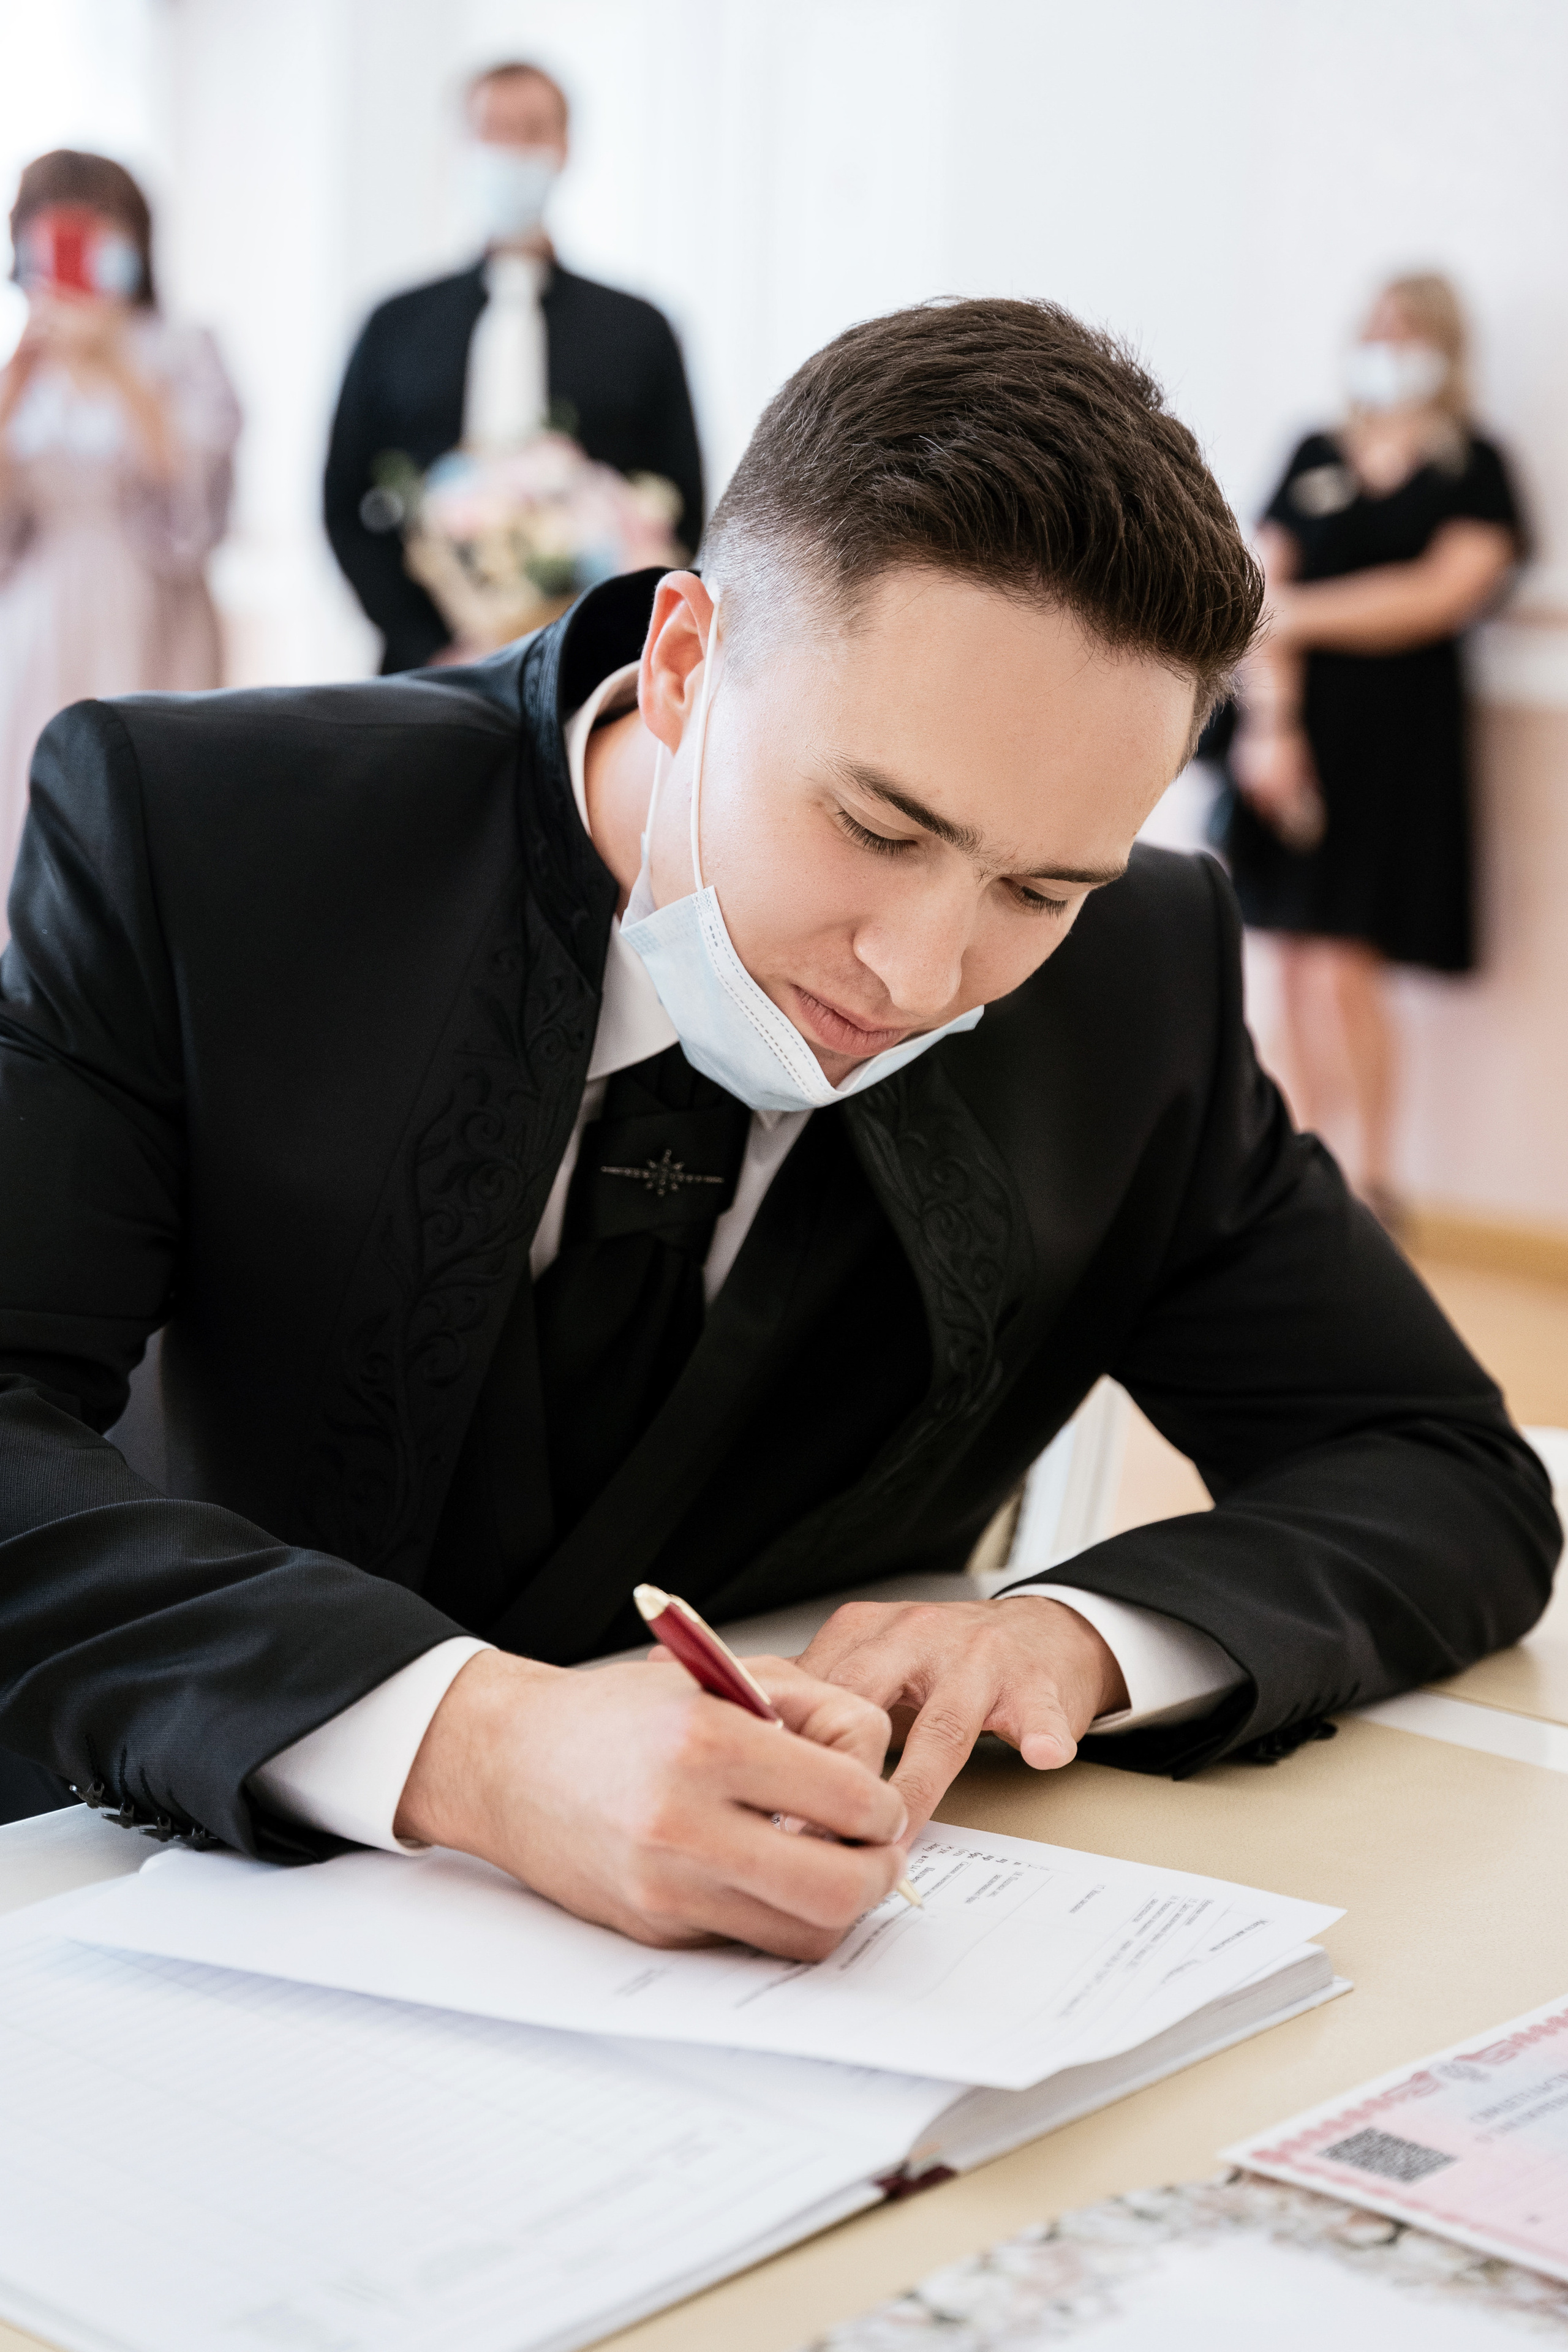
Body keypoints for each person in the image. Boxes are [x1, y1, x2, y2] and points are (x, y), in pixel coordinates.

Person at [0, 301, 1556, 1959]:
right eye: (878, 824)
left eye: (1042, 887)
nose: (922, 972)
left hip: (811, 1993)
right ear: (683, 663)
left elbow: (1442, 1466)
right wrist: (472, 1747)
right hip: (153, 1902)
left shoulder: (1142, 975)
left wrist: (1074, 1642)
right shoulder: (202, 839)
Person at [1219, 274, 1525, 1224]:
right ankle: (1294, 1171)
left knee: (1347, 966)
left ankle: (1371, 1182)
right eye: (1380, 328)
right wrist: (1273, 728)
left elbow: (1444, 592)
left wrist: (1298, 613)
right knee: (1288, 963)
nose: (1391, 345)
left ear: (1446, 346)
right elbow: (1264, 585)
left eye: (1411, 331)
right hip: (1296, 731)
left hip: (1399, 750)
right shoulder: (1312, 450)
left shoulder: (1475, 465)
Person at [324, 59, 704, 674]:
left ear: (564, 147)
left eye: (532, 131)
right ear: (461, 146)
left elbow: (682, 499)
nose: (512, 150)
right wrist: (430, 643)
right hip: (425, 669)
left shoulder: (640, 329)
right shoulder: (394, 324)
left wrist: (609, 636)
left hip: (597, 666)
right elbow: (344, 499)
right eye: (492, 129)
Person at [0, 150, 239, 933]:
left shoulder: (182, 346)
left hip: (150, 614)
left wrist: (116, 370)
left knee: (140, 818)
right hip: (37, 622)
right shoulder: (23, 363)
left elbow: (195, 514)